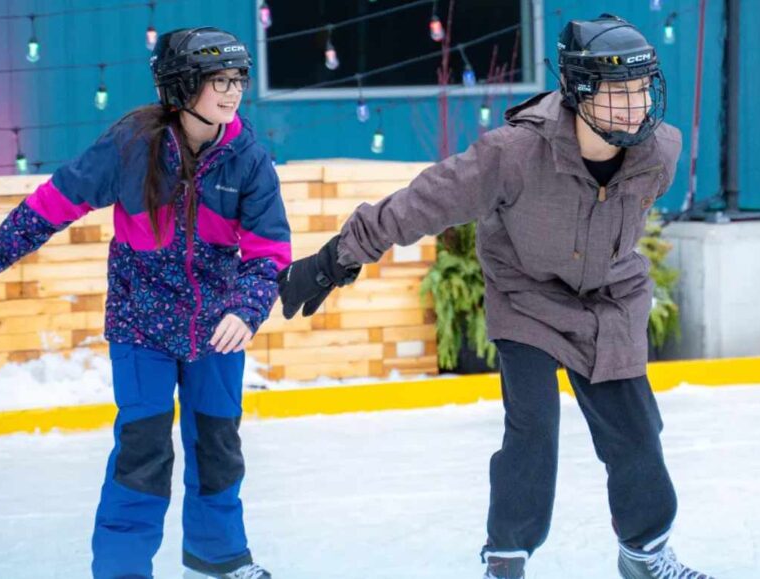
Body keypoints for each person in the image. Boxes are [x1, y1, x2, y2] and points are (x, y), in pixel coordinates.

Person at [277, 14, 714, 579]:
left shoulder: (660, 152)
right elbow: (423, 202)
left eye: (640, 90)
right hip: (526, 296)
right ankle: (506, 557)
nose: (634, 108)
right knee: (532, 430)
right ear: (579, 92)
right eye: (616, 93)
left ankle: (645, 554)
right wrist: (338, 256)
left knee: (636, 433)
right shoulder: (513, 154)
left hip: (609, 301)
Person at [0, 27, 289, 579]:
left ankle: (219, 557)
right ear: (183, 85)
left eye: (237, 79)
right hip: (141, 326)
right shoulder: (131, 146)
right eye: (217, 80)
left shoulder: (248, 159)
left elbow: (269, 250)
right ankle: (122, 570)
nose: (231, 91)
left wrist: (246, 308)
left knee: (218, 446)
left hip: (217, 329)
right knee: (143, 453)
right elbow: (51, 206)